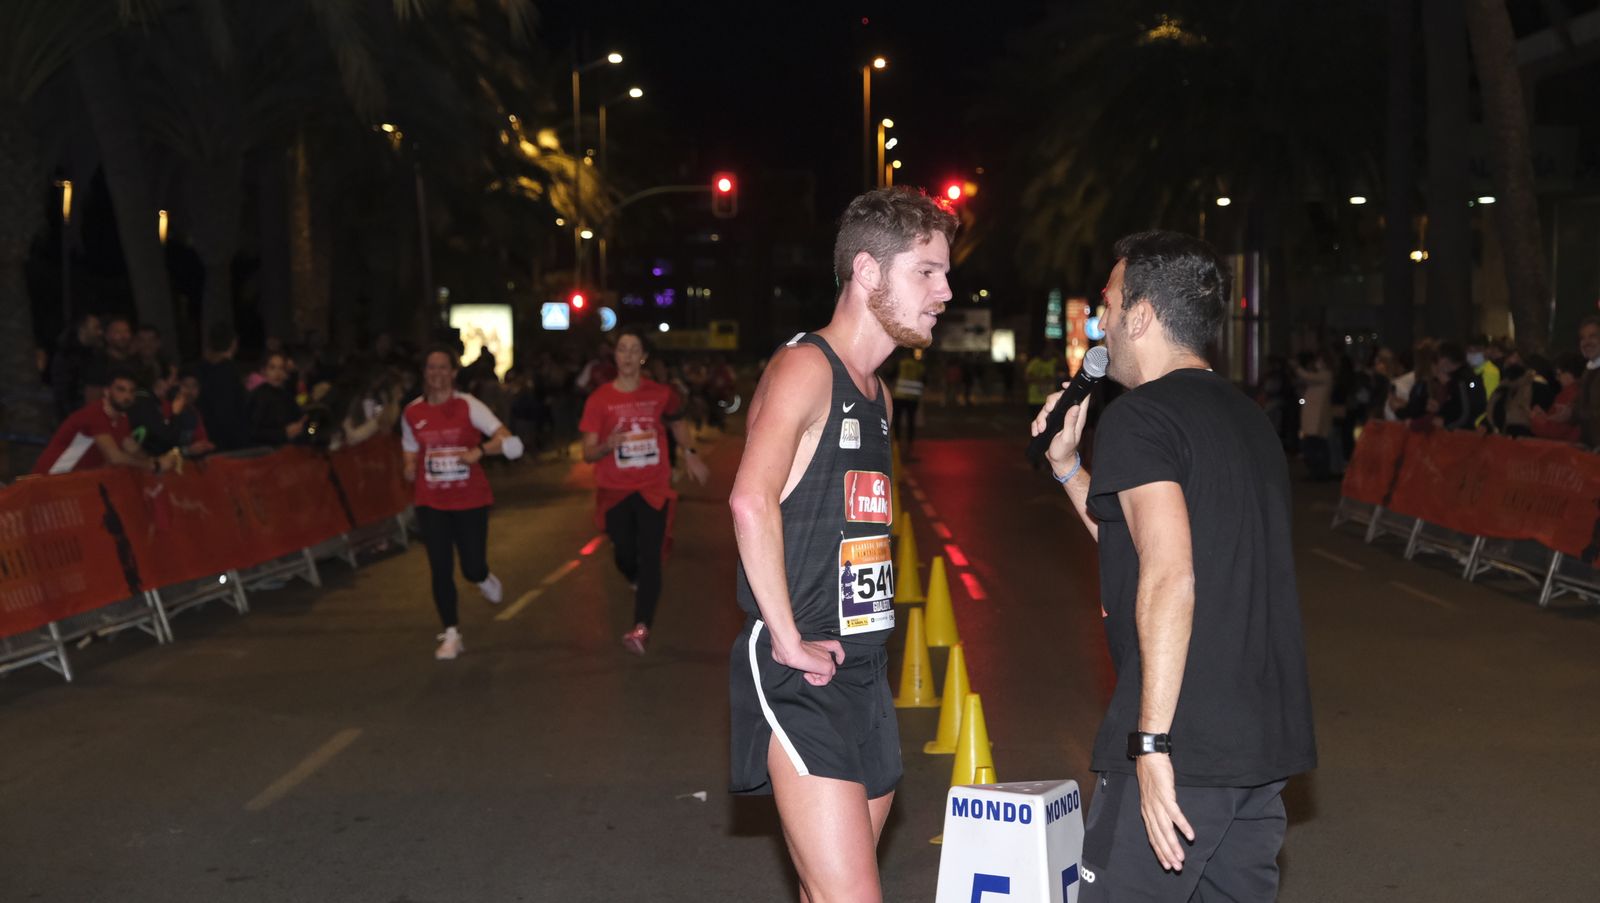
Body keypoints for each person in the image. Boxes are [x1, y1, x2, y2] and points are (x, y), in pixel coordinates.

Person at [1031, 230, 1315, 901]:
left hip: (1186, 736)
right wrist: (1069, 468)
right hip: (1258, 741)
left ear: (1143, 315)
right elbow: (1143, 542)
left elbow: (1168, 574)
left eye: (1108, 304)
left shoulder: (1141, 416)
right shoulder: (1246, 417)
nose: (1099, 323)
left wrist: (1153, 744)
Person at [727, 186, 956, 901]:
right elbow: (748, 497)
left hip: (865, 670)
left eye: (945, 272)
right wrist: (789, 641)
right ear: (867, 271)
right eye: (927, 270)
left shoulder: (878, 396)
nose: (945, 290)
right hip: (807, 675)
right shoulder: (805, 369)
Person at [579, 328, 709, 655]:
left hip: (653, 487)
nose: (626, 355)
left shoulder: (660, 394)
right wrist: (608, 444)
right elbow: (587, 452)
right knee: (624, 552)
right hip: (615, 489)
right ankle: (633, 576)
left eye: (633, 349)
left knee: (651, 556)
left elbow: (678, 422)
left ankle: (641, 628)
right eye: (621, 349)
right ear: (615, 356)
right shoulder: (600, 399)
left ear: (642, 357)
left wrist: (690, 454)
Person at [402, 348, 524, 661]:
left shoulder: (469, 406)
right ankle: (452, 632)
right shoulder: (412, 412)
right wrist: (409, 465)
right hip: (431, 500)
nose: (436, 374)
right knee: (440, 567)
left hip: (470, 499)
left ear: (453, 373)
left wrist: (480, 451)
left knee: (470, 566)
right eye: (431, 368)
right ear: (424, 373)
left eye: (443, 368)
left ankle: (482, 577)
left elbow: (504, 436)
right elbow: (410, 448)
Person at [33, 369, 176, 476]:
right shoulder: (95, 415)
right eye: (121, 390)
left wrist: (158, 461)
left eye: (131, 391)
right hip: (53, 476)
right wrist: (154, 465)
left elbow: (132, 448)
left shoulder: (122, 417)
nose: (127, 396)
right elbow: (114, 457)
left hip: (76, 481)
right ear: (107, 392)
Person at [248, 352, 308, 446]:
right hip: (265, 452)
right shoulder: (258, 396)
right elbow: (252, 432)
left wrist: (303, 427)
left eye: (281, 368)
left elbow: (302, 420)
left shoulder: (286, 395)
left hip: (290, 448)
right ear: (264, 371)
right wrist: (283, 433)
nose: (277, 373)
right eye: (272, 368)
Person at [891, 348, 926, 454]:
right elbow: (925, 380)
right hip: (913, 398)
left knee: (897, 420)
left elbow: (891, 375)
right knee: (911, 421)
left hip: (899, 396)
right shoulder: (920, 366)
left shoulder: (901, 363)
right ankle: (910, 442)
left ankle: (896, 441)